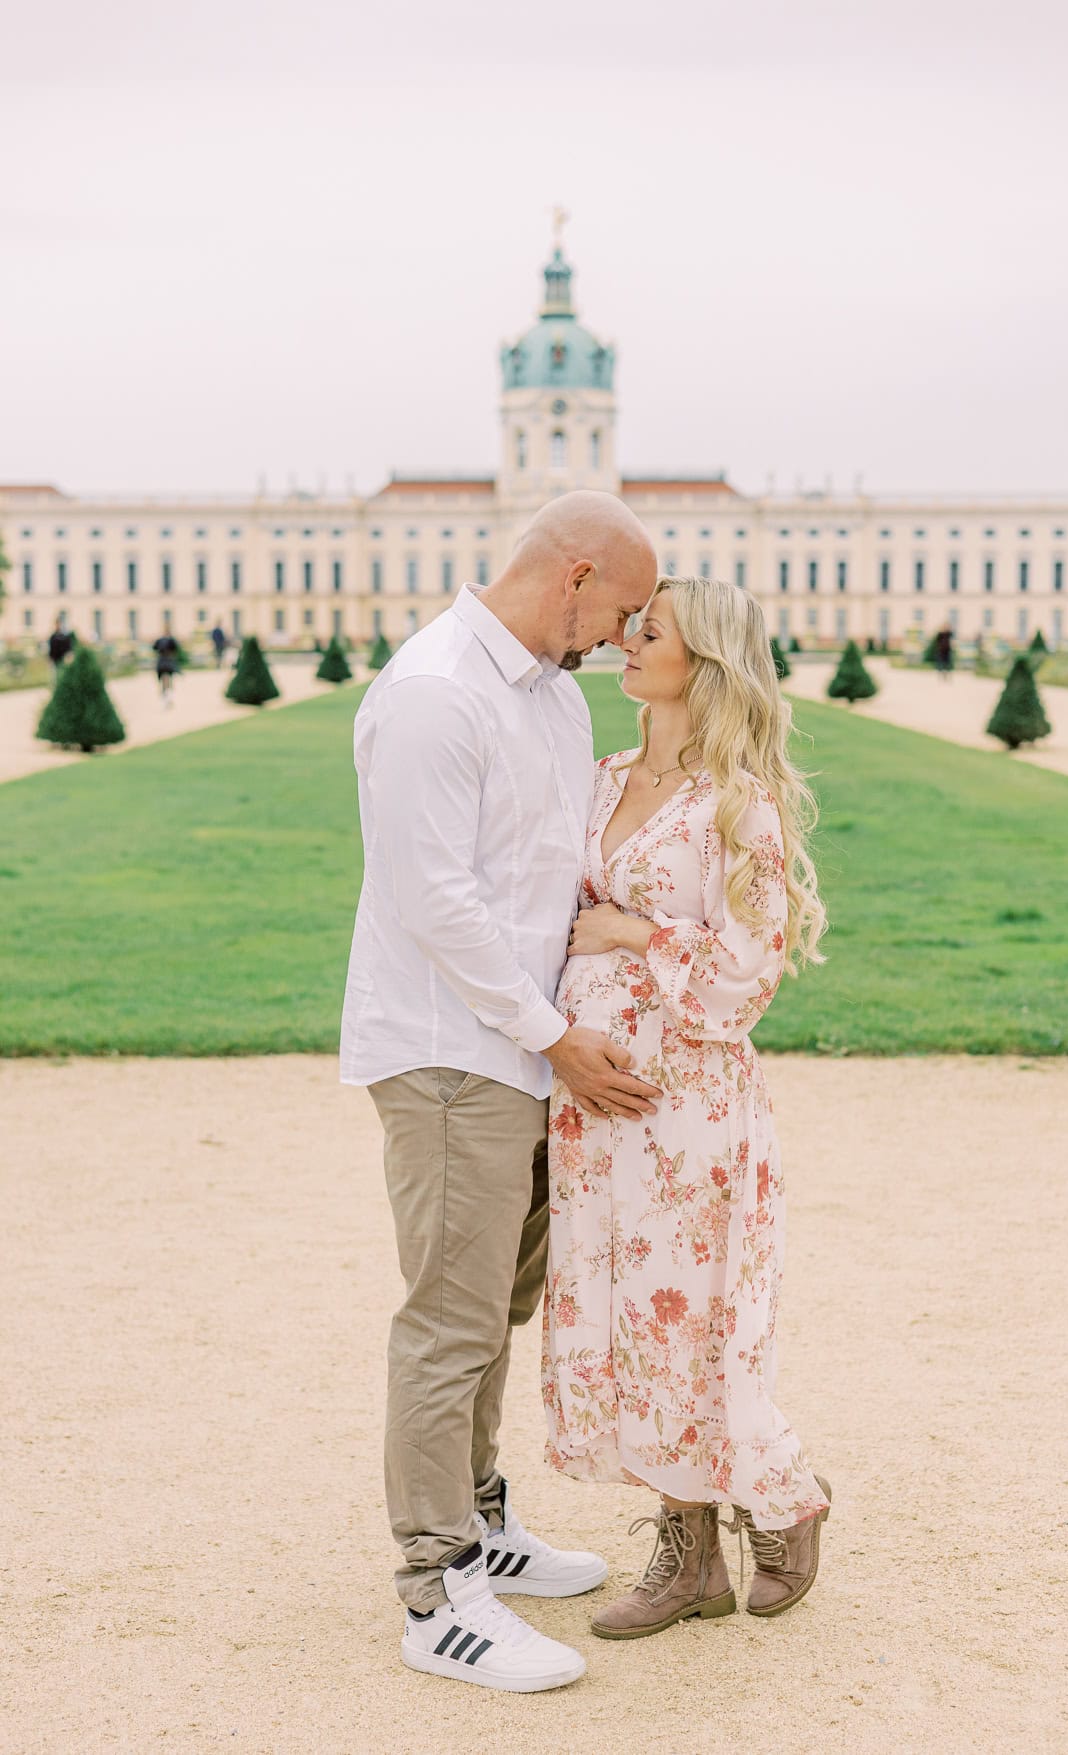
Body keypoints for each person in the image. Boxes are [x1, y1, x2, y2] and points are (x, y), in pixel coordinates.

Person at [340, 490, 660, 1694]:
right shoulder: (434, 693)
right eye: (623, 610)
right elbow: (436, 902)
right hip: (448, 1055)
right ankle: (436, 1593)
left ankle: (478, 1522)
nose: (625, 638)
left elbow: (548, 878)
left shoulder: (555, 696)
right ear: (574, 574)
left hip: (526, 1051)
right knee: (450, 1318)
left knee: (496, 1311)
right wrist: (556, 1035)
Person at [543, 575, 832, 1640]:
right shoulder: (605, 773)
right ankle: (693, 1554)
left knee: (688, 1322)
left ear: (700, 660)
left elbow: (745, 980)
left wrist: (631, 936)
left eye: (647, 631)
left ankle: (781, 1499)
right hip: (591, 1098)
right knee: (628, 1320)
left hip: (686, 1107)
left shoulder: (736, 802)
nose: (626, 640)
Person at [153, 631, 180, 706]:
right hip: (168, 662)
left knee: (164, 681)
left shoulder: (159, 640)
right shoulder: (171, 640)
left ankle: (166, 697)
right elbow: (176, 649)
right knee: (169, 680)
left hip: (162, 662)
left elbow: (154, 648)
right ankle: (168, 697)